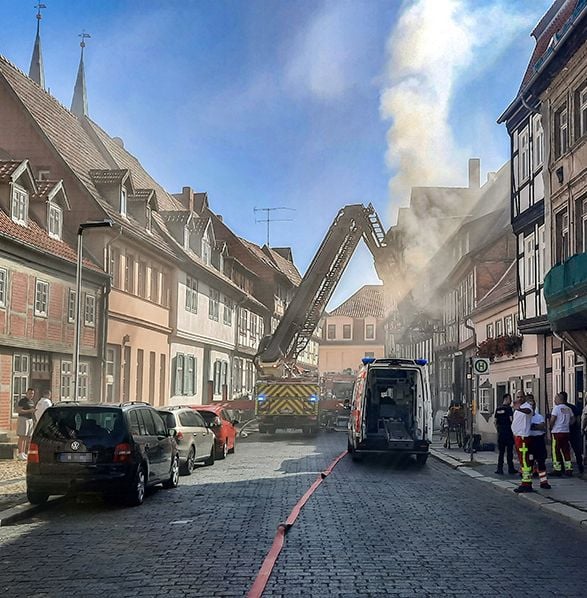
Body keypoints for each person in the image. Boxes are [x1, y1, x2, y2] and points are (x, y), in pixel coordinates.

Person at [526, 394, 551, 489]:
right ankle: (527, 482)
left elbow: (542, 427)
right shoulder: (525, 417)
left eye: (533, 405)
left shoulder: (539, 416)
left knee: (541, 462)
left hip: (539, 441)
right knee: (529, 462)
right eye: (530, 405)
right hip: (529, 441)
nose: (532, 407)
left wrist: (533, 426)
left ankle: (544, 482)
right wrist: (536, 426)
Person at [511, 392, 534, 493]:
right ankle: (525, 481)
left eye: (521, 397)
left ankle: (526, 483)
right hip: (517, 437)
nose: (519, 399)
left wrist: (519, 409)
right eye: (518, 397)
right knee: (521, 460)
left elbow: (528, 411)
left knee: (525, 460)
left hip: (523, 437)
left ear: (524, 397)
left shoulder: (527, 406)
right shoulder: (517, 408)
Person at [550, 391, 575, 476]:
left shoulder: (556, 408)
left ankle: (557, 469)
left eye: (555, 398)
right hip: (566, 431)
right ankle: (569, 468)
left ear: (559, 399)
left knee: (555, 451)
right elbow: (573, 419)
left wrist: (550, 427)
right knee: (566, 450)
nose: (554, 400)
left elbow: (553, 419)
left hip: (557, 432)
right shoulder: (568, 408)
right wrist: (567, 424)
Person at [493, 393, 516, 475]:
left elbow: (495, 422)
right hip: (508, 432)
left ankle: (500, 469)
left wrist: (498, 430)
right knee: (509, 452)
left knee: (501, 452)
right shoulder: (509, 409)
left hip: (501, 433)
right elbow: (511, 420)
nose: (511, 401)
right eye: (510, 399)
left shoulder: (498, 409)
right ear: (506, 399)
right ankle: (511, 468)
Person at [16, 387, 35, 460]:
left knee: (27, 437)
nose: (31, 395)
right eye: (30, 393)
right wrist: (29, 411)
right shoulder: (23, 401)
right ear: (27, 393)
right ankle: (20, 452)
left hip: (30, 419)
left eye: (32, 394)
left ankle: (23, 452)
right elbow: (19, 410)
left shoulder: (32, 401)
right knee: (22, 436)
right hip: (23, 419)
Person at [568, 399, 584, 475]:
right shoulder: (573, 407)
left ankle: (564, 467)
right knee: (577, 449)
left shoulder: (558, 407)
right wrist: (578, 427)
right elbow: (577, 418)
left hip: (565, 431)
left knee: (563, 450)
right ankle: (580, 465)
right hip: (574, 431)